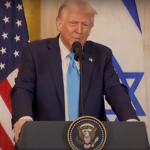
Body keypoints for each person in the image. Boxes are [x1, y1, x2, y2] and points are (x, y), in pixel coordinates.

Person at [11, 0, 139, 144]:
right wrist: (24, 118)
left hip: (89, 142)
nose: (79, 30)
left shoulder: (101, 54)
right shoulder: (36, 52)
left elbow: (114, 89)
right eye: (73, 23)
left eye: (85, 25)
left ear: (90, 29)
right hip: (45, 140)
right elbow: (23, 88)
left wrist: (131, 121)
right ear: (59, 24)